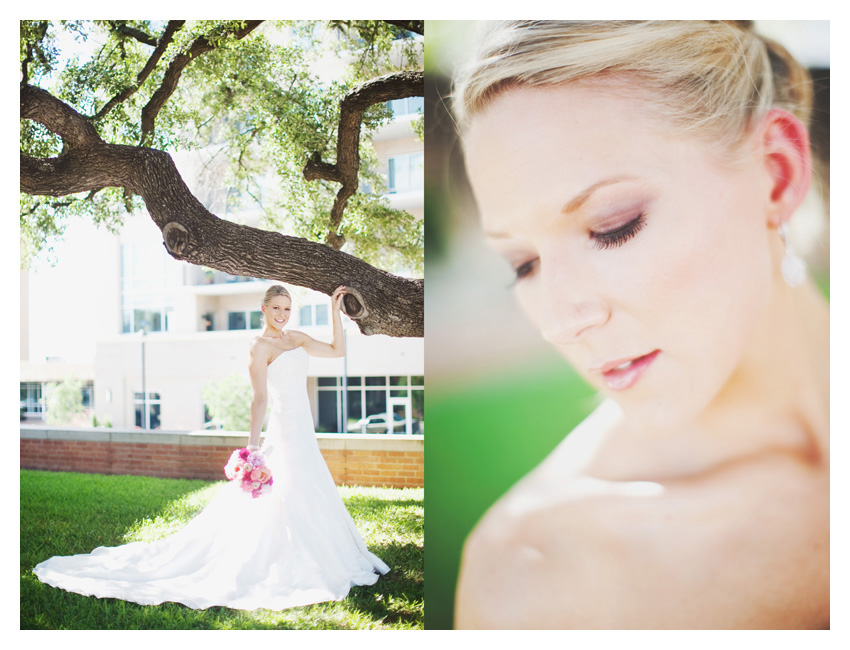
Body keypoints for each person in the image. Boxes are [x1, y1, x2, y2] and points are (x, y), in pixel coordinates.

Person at [451, 20, 829, 629]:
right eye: (523, 264)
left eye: (613, 226)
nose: (562, 322)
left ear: (777, 171)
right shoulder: (536, 575)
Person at [34, 284, 389, 610]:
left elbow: (337, 350)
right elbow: (259, 399)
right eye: (276, 308)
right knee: (282, 489)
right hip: (283, 428)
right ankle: (278, 557)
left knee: (309, 487)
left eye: (287, 309)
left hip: (304, 430)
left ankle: (318, 553)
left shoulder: (296, 338)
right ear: (262, 309)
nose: (282, 315)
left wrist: (333, 310)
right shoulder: (258, 346)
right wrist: (252, 448)